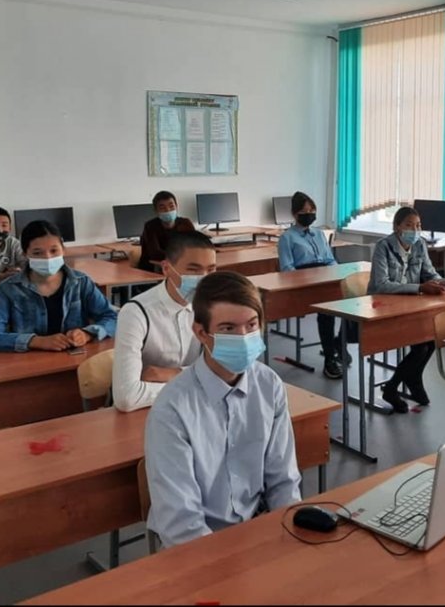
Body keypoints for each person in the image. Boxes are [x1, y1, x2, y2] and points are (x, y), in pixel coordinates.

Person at [144, 270, 301, 548]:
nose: (243, 337)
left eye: (251, 325)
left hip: (256, 529)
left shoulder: (269, 385)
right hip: (196, 545)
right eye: (228, 328)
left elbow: (283, 481)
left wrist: (288, 539)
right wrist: (227, 563)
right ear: (201, 332)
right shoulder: (173, 409)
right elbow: (181, 521)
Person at [112, 231, 217, 412]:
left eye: (211, 270)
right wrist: (199, 380)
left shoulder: (214, 307)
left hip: (197, 407)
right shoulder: (136, 313)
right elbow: (127, 397)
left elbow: (225, 371)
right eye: (193, 270)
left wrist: (174, 374)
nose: (204, 278)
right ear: (166, 268)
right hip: (146, 412)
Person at [0, 220, 117, 352]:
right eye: (37, 253)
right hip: (28, 362)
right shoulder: (7, 289)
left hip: (75, 359)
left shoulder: (81, 282)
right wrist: (37, 341)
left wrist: (87, 334)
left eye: (54, 251)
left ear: (63, 249)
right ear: (25, 254)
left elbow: (112, 317)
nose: (47, 257)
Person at [367, 205, 445, 413]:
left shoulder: (420, 244)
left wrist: (440, 281)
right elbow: (381, 285)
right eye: (409, 225)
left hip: (410, 307)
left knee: (430, 341)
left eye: (418, 225)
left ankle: (412, 378)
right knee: (421, 347)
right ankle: (393, 387)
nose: (415, 230)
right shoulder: (383, 247)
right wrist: (420, 287)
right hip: (383, 310)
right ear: (397, 227)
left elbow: (429, 272)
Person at [277, 191, 344, 380]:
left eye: (312, 211)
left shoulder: (319, 234)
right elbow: (287, 268)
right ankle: (330, 359)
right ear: (294, 214)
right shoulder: (287, 238)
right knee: (327, 313)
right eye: (304, 212)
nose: (309, 214)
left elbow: (330, 259)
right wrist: (306, 280)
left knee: (350, 302)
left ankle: (339, 344)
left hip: (325, 278)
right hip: (303, 284)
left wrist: (337, 273)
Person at [138, 191, 196, 272]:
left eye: (171, 206)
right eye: (163, 208)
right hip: (153, 269)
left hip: (181, 265)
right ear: (156, 211)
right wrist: (183, 256)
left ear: (177, 206)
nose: (168, 210)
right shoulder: (150, 226)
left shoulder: (185, 223)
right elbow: (155, 253)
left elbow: (196, 246)